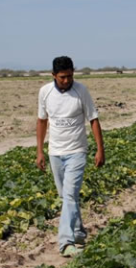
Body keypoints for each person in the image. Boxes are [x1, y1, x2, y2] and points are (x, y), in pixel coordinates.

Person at [36, 56, 105, 257]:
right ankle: (79, 233)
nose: (67, 81)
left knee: (69, 196)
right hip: (55, 152)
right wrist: (39, 151)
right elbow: (42, 121)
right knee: (67, 197)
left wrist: (100, 149)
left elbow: (93, 119)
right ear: (54, 75)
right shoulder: (45, 92)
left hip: (77, 151)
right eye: (62, 77)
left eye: (70, 76)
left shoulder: (81, 91)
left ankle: (65, 242)